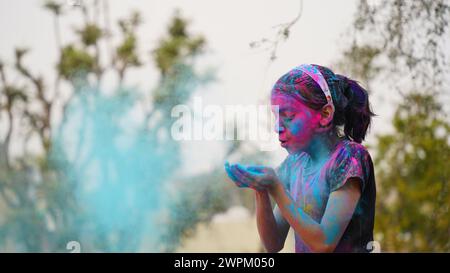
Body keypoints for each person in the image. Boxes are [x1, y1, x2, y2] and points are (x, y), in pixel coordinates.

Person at [225, 64, 376, 253]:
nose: (277, 128)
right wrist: (261, 191)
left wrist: (276, 188)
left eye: (288, 116)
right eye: (276, 117)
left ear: (325, 114)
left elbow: (324, 243)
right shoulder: (294, 166)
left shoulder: (349, 157)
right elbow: (273, 244)